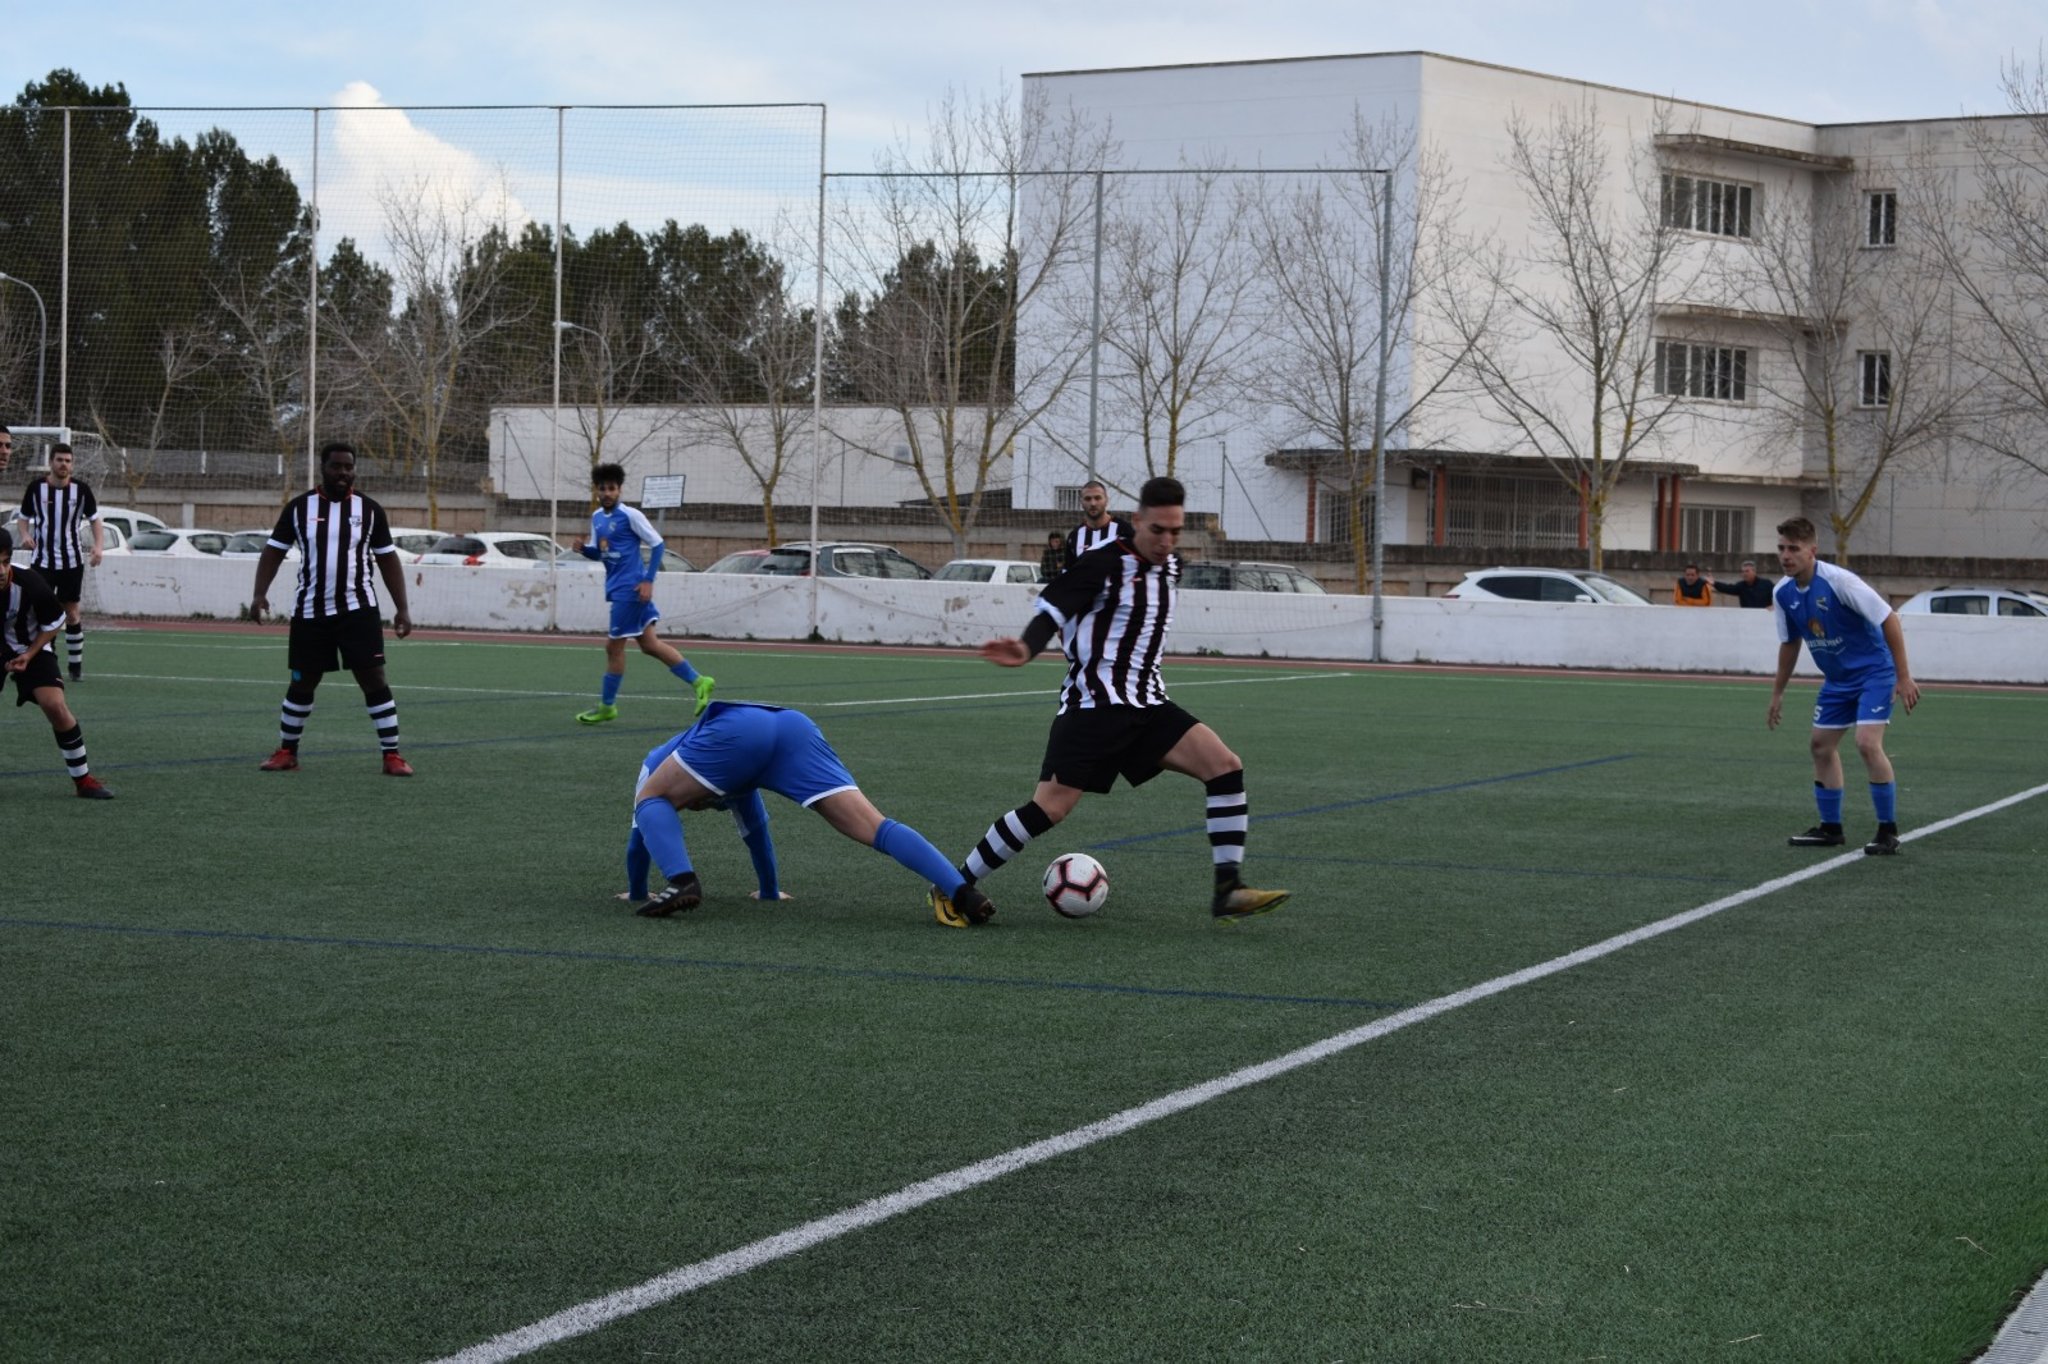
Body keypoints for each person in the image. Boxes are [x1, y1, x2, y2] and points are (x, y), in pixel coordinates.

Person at [933, 475, 1289, 927]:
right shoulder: (1102, 563)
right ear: (1136, 521)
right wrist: (1026, 647)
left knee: (1225, 766)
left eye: (1175, 531)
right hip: (1094, 707)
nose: (1166, 541)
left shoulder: (1171, 567)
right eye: (1157, 530)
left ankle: (1228, 888)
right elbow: (1053, 610)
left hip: (1148, 704)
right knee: (1049, 809)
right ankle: (952, 886)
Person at [622, 699, 994, 922]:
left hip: (736, 729)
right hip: (794, 726)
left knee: (651, 798)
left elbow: (640, 839)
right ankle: (961, 891)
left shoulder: (658, 761)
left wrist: (637, 890)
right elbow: (756, 833)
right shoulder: (731, 780)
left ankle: (682, 881)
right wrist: (769, 891)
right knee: (874, 826)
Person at [249, 441, 416, 776]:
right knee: (302, 682)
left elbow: (387, 559)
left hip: (358, 610)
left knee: (374, 679)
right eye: (336, 466)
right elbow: (274, 551)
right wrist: (259, 594)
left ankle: (392, 756)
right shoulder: (299, 508)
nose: (343, 473)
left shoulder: (370, 510)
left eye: (348, 467)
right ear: (323, 469)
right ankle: (287, 751)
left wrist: (402, 608)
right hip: (310, 612)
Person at [1766, 517, 1920, 856]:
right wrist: (1778, 692)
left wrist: (1903, 675)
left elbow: (1888, 617)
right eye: (1781, 548)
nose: (1786, 556)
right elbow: (1789, 643)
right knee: (1820, 746)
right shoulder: (1782, 593)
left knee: (1866, 743)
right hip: (1837, 681)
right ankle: (1830, 829)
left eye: (1794, 549)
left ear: (1812, 551)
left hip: (1874, 673)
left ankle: (1887, 831)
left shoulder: (1840, 582)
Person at [571, 462, 713, 725]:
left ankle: (607, 706)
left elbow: (658, 544)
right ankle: (699, 681)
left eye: (612, 488)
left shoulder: (631, 515)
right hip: (619, 588)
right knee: (649, 645)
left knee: (613, 647)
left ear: (620, 490)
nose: (607, 493)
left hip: (631, 590)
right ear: (597, 491)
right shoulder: (597, 518)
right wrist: (584, 550)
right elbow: (601, 552)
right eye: (602, 489)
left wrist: (648, 580)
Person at [0, 528, 114, 798]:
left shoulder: (30, 582)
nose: (1, 570)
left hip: (32, 646)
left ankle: (84, 781)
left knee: (55, 705)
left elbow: (55, 621)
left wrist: (30, 654)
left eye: (5, 562)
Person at [16, 442, 103, 679]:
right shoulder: (36, 488)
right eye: (59, 460)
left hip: (71, 562)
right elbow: (23, 518)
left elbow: (95, 520)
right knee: (39, 612)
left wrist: (98, 547)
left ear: (72, 465)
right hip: (42, 562)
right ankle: (45, 664)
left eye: (68, 461)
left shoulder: (81, 490)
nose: (64, 464)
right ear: (51, 462)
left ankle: (75, 668)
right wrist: (24, 535)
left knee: (71, 612)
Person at [1063, 479, 1134, 566]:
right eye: (1088, 499)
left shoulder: (1124, 531)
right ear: (1081, 502)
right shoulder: (1074, 536)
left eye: (1097, 498)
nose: (1093, 503)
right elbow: (1069, 571)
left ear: (1106, 500)